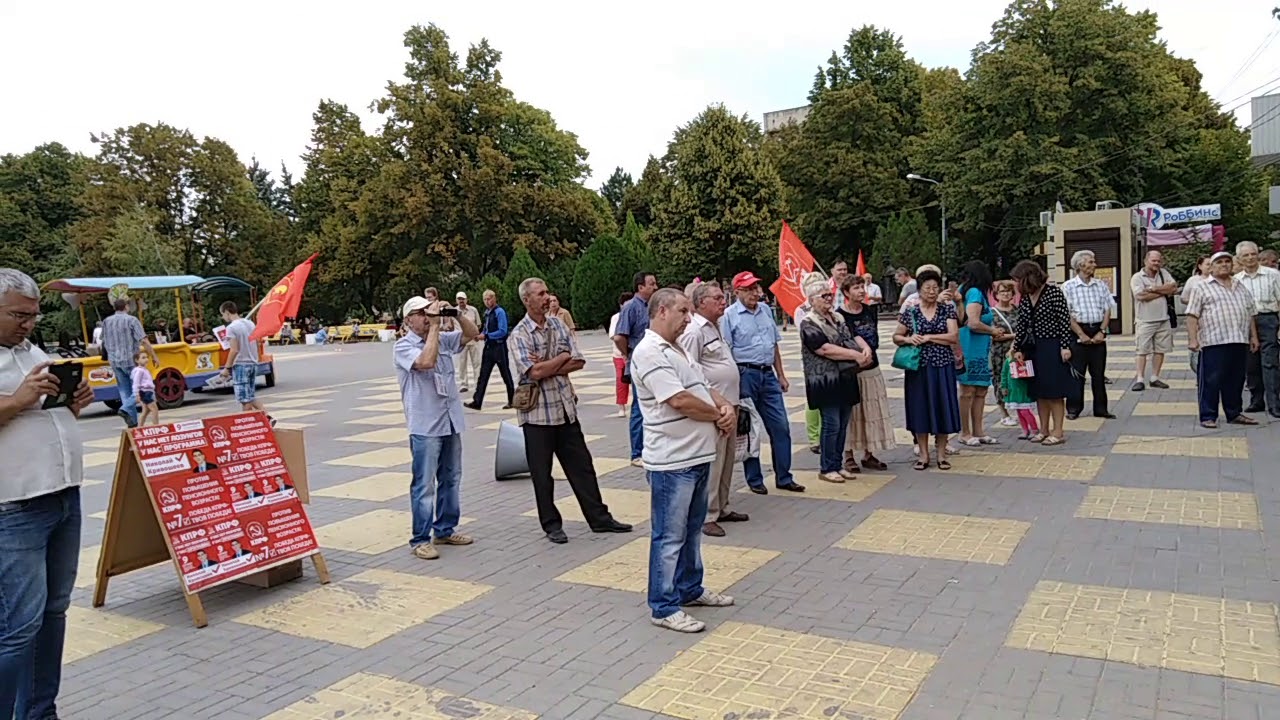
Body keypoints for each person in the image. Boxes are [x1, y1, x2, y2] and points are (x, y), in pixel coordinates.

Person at [0, 268, 95, 720]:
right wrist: (17, 400)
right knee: (17, 629)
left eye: (34, 316)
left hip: (62, 497)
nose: (28, 324)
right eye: (19, 315)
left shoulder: (30, 350)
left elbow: (46, 412)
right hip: (14, 506)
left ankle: (39, 712)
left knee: (52, 613)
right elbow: (18, 405)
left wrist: (71, 402)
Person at [632, 288, 737, 633]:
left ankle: (690, 588)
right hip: (672, 461)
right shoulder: (648, 352)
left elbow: (702, 387)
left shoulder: (678, 348)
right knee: (669, 536)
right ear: (662, 311)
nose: (688, 318)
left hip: (698, 455)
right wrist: (717, 416)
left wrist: (725, 407)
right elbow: (678, 400)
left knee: (691, 531)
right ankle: (663, 606)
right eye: (682, 311)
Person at [509, 278, 632, 544]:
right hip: (537, 415)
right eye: (540, 294)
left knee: (583, 467)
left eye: (546, 292)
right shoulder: (519, 334)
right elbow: (533, 372)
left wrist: (550, 363)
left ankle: (599, 519)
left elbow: (578, 360)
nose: (546, 297)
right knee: (542, 475)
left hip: (565, 409)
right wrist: (559, 359)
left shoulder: (557, 324)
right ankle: (551, 525)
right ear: (526, 300)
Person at [395, 295, 480, 560]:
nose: (426, 316)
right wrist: (434, 327)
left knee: (451, 478)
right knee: (424, 484)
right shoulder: (403, 346)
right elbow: (425, 362)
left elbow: (473, 335)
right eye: (420, 313)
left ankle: (444, 529)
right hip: (425, 425)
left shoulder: (442, 338)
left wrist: (455, 314)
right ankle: (420, 539)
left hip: (450, 419)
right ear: (409, 320)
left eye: (427, 312)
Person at [722, 271, 804, 493]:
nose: (754, 293)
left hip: (767, 374)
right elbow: (726, 351)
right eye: (748, 289)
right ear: (736, 291)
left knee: (781, 426)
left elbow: (773, 345)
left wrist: (781, 374)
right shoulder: (729, 316)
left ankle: (784, 476)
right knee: (750, 429)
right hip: (744, 374)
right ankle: (754, 478)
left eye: (755, 288)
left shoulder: (766, 310)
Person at [678, 282, 747, 538]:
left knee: (728, 459)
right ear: (701, 303)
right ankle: (706, 515)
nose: (723, 301)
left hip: (730, 404)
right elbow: (691, 372)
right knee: (714, 461)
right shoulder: (694, 331)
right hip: (714, 408)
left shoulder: (716, 327)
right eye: (717, 298)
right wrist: (714, 405)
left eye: (722, 297)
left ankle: (722, 506)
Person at [798, 272, 865, 483]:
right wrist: (855, 355)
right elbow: (824, 349)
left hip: (845, 377)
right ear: (811, 300)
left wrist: (864, 350)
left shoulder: (838, 317)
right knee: (831, 423)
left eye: (829, 294)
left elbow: (849, 338)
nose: (828, 298)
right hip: (824, 380)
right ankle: (827, 467)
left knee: (843, 422)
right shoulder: (808, 322)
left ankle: (837, 463)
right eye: (822, 296)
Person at [892, 269, 961, 470]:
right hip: (918, 368)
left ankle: (941, 455)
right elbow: (896, 336)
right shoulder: (911, 311)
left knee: (943, 407)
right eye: (927, 288)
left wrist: (930, 337)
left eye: (935, 287)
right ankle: (923, 455)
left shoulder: (946, 309)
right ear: (919, 291)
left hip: (942, 365)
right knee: (919, 408)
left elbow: (953, 336)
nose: (931, 292)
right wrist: (908, 339)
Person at [1187, 251, 1261, 428]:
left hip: (1238, 339)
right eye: (1219, 262)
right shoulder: (1201, 287)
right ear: (1211, 267)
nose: (1224, 264)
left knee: (1236, 380)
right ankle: (1208, 415)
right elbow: (1192, 315)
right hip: (1214, 341)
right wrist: (1192, 339)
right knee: (1211, 380)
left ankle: (1234, 413)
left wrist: (1254, 337)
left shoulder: (1240, 285)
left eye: (1228, 261)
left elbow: (1250, 313)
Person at [1011, 260, 1074, 445]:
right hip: (1033, 347)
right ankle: (1043, 429)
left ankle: (1058, 430)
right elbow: (1021, 325)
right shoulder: (1025, 298)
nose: (1015, 284)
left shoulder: (1053, 292)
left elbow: (1064, 321)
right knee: (1039, 391)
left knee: (1054, 391)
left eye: (1017, 280)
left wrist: (1065, 346)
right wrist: (1017, 348)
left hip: (1052, 346)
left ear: (1027, 278)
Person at [838, 275, 894, 472]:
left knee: (872, 412)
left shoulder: (870, 311)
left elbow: (874, 336)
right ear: (846, 293)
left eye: (862, 287)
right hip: (852, 371)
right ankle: (848, 456)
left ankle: (869, 454)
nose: (861, 291)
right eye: (856, 288)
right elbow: (849, 338)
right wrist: (861, 350)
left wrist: (871, 349)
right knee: (852, 414)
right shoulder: (839, 315)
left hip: (873, 367)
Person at [1060, 250, 1116, 420]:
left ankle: (1101, 408)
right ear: (1080, 265)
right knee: (1077, 373)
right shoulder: (1068, 286)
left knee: (1098, 374)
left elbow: (1108, 309)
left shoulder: (1100, 285)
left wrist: (1102, 331)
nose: (1094, 264)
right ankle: (1074, 408)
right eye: (1091, 262)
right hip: (1078, 331)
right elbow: (1066, 314)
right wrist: (1080, 333)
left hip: (1097, 330)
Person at [613, 271, 659, 466]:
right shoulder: (631, 307)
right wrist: (628, 355)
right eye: (652, 284)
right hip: (639, 362)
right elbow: (619, 336)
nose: (655, 287)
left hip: (654, 361)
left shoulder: (652, 307)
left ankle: (651, 448)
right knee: (639, 408)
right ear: (640, 287)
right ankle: (636, 453)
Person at [1234, 241, 1280, 417]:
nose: (1250, 258)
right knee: (1250, 364)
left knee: (1270, 362)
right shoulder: (1236, 280)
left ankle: (1274, 403)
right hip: (1245, 322)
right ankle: (1256, 400)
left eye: (1253, 254)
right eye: (1245, 255)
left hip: (1268, 319)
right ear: (1239, 259)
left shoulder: (1272, 275)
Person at [956, 260, 997, 446]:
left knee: (980, 390)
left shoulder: (971, 291)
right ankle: (965, 432)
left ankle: (979, 431)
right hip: (971, 349)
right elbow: (972, 322)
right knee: (968, 391)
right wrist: (993, 331)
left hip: (980, 349)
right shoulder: (974, 292)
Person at [101, 297, 159, 427]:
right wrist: (154, 356)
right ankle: (125, 408)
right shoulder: (132, 320)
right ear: (126, 306)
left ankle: (132, 422)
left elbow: (103, 340)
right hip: (131, 359)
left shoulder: (106, 321)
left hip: (114, 361)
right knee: (140, 388)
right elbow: (143, 340)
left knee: (125, 390)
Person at [215, 302, 272, 422]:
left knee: (244, 398)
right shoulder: (250, 323)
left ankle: (257, 419)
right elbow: (256, 342)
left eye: (222, 314)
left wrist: (227, 368)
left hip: (241, 364)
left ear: (227, 312)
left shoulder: (231, 328)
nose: (223, 317)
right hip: (252, 362)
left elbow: (234, 350)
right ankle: (257, 419)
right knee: (249, 395)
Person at [1129, 249, 1177, 391]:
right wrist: (1163, 292)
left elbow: (1173, 288)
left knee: (1160, 349)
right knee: (1142, 350)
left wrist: (1153, 289)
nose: (1156, 263)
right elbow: (1141, 296)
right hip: (1145, 320)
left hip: (1163, 318)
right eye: (1153, 260)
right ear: (1146, 261)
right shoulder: (1137, 277)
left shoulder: (1163, 273)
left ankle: (1155, 377)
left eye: (1158, 260)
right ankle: (1140, 379)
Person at [465, 290, 515, 411]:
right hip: (488, 347)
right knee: (483, 375)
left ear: (494, 298)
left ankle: (512, 399)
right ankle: (477, 401)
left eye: (489, 299)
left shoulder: (499, 312)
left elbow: (503, 331)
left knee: (505, 374)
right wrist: (481, 335)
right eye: (485, 299)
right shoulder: (487, 313)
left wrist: (487, 336)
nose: (487, 302)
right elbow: (486, 329)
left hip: (499, 347)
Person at [988, 281, 1020, 428]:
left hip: (1017, 351)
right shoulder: (992, 312)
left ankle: (1019, 409)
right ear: (996, 295)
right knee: (1000, 379)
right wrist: (1015, 335)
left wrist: (1014, 337)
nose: (1006, 294)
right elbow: (996, 336)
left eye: (1008, 291)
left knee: (1018, 379)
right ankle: (1004, 413)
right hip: (999, 352)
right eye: (1002, 292)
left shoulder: (1017, 310)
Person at [792, 297, 821, 453]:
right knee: (813, 400)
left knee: (828, 400)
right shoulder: (802, 311)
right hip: (812, 360)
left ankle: (825, 435)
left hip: (831, 361)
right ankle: (814, 437)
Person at [1000, 344, 1041, 440]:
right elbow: (1004, 374)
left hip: (1023, 391)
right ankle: (1025, 430)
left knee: (1025, 410)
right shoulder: (1008, 362)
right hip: (1013, 390)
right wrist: (1004, 386)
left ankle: (1034, 429)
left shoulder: (1027, 362)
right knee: (1019, 411)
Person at [608, 292, 633, 418]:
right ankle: (621, 406)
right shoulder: (616, 317)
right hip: (619, 355)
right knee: (621, 381)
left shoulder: (637, 314)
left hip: (634, 354)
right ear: (621, 305)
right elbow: (614, 335)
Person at [453, 291, 482, 394]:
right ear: (456, 300)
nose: (461, 301)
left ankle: (478, 383)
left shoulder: (473, 310)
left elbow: (478, 324)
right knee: (462, 363)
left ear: (466, 299)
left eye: (463, 299)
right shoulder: (454, 311)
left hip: (473, 340)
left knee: (476, 362)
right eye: (459, 299)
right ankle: (463, 384)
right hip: (460, 340)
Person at [132, 351, 159, 426]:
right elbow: (136, 383)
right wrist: (136, 394)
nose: (146, 359)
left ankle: (140, 427)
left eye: (147, 357)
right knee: (154, 409)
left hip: (147, 392)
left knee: (145, 411)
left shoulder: (144, 370)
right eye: (143, 358)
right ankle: (156, 426)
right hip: (145, 392)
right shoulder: (139, 371)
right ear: (137, 360)